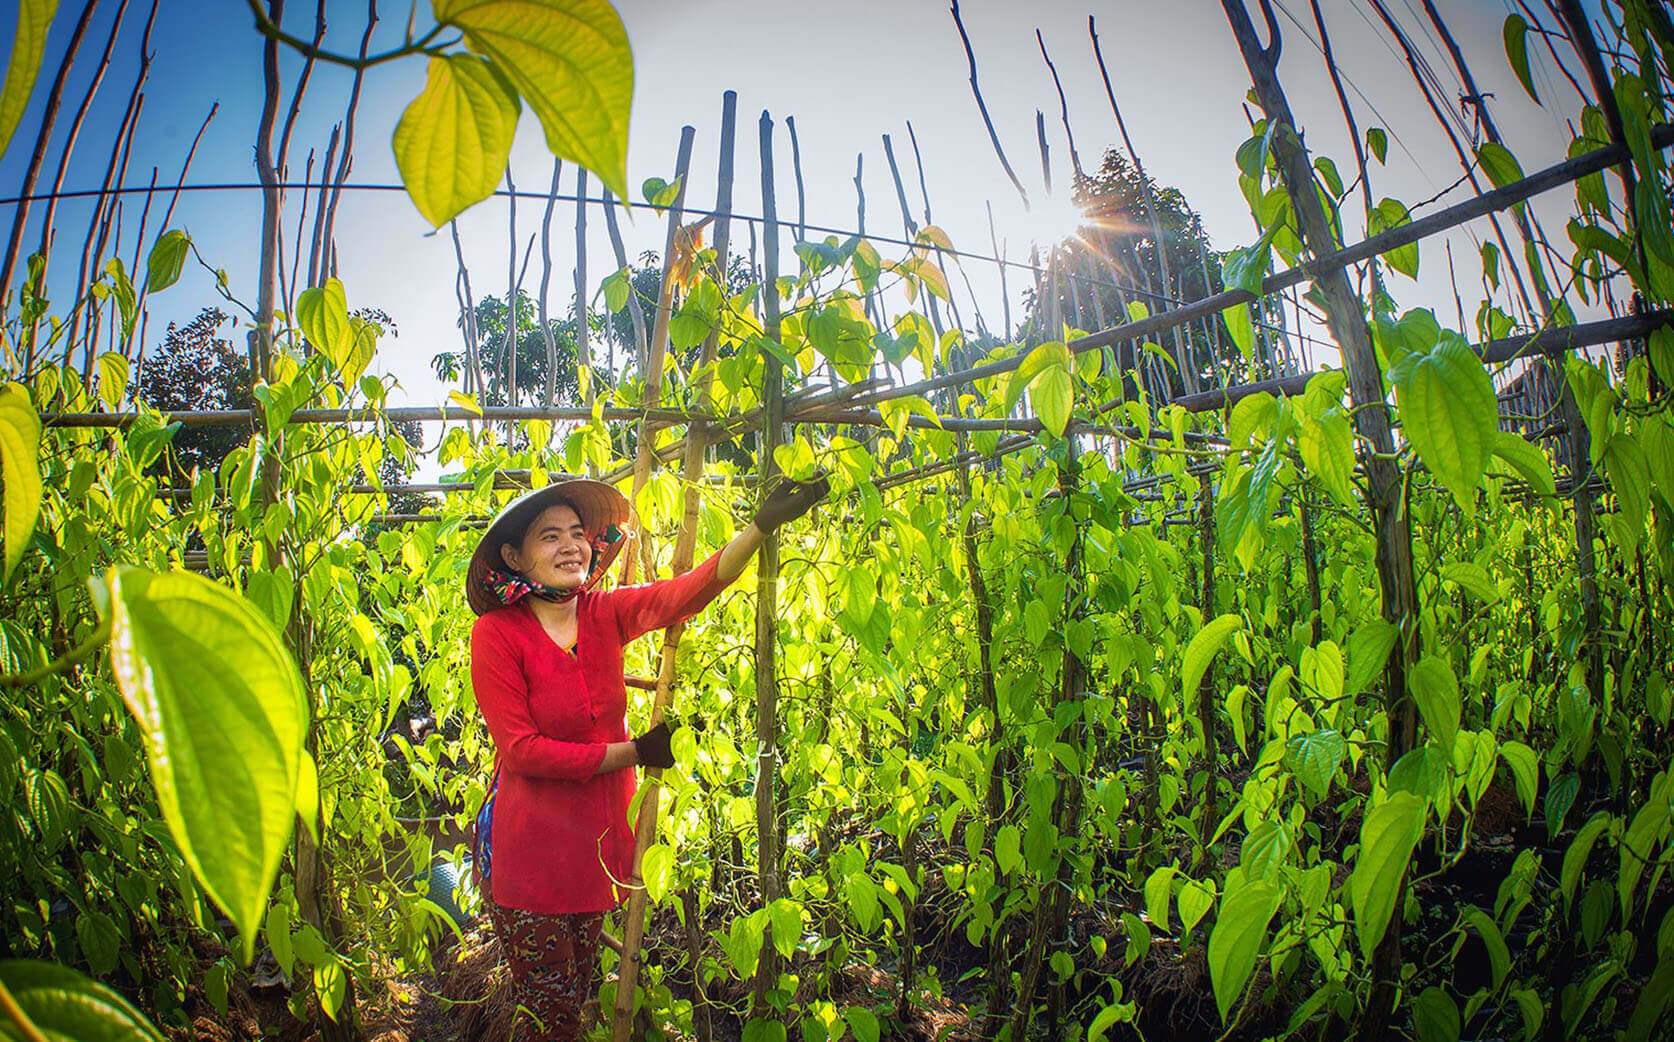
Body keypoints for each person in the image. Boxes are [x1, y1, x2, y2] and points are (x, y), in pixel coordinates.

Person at [465, 475, 825, 1041]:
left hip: (597, 854)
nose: (571, 546)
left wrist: (761, 526)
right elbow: (523, 752)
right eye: (549, 536)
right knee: (549, 1019)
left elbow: (687, 590)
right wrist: (634, 752)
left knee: (576, 998)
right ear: (514, 557)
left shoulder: (603, 613)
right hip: (531, 862)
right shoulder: (496, 635)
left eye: (578, 534)